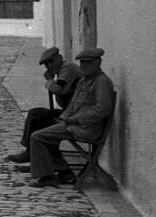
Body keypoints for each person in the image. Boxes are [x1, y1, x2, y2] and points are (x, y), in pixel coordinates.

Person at [28, 48, 114, 187]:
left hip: (87, 127)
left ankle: (49, 175)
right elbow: (73, 104)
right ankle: (60, 172)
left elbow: (103, 109)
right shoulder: (84, 81)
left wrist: (76, 119)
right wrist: (64, 117)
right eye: (82, 63)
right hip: (72, 124)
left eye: (88, 63)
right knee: (43, 130)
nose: (83, 66)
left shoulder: (101, 81)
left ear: (98, 63)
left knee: (38, 137)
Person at [6, 47, 80, 164]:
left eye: (51, 61)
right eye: (46, 64)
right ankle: (34, 157)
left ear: (60, 58)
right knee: (35, 114)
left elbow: (59, 90)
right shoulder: (62, 71)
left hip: (76, 115)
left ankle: (38, 159)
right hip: (71, 112)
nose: (49, 66)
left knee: (42, 121)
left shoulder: (68, 69)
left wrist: (49, 80)